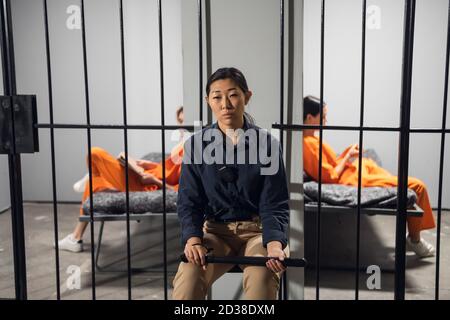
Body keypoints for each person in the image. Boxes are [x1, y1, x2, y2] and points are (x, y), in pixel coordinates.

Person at [172, 67, 290, 300]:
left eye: (233, 94)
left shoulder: (267, 144)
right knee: (189, 277)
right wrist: (193, 239)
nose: (225, 104)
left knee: (262, 280)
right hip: (215, 232)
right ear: (208, 101)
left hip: (259, 233)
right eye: (217, 96)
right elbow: (189, 201)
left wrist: (275, 243)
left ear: (247, 96)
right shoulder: (196, 146)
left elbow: (274, 203)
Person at [302, 95, 436, 258]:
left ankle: (414, 237)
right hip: (354, 178)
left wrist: (348, 154)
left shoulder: (311, 138)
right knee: (416, 186)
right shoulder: (306, 143)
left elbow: (329, 164)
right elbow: (330, 176)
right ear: (309, 117)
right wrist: (347, 156)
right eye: (322, 117)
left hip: (357, 171)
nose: (326, 121)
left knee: (399, 180)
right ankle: (415, 240)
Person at [57, 107, 185, 252]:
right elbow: (166, 169)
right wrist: (145, 164)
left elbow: (178, 190)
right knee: (118, 160)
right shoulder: (183, 144)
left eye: (184, 121)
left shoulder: (191, 151)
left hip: (144, 184)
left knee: (95, 154)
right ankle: (75, 237)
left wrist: (154, 181)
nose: (181, 126)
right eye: (179, 121)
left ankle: (94, 175)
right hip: (143, 174)